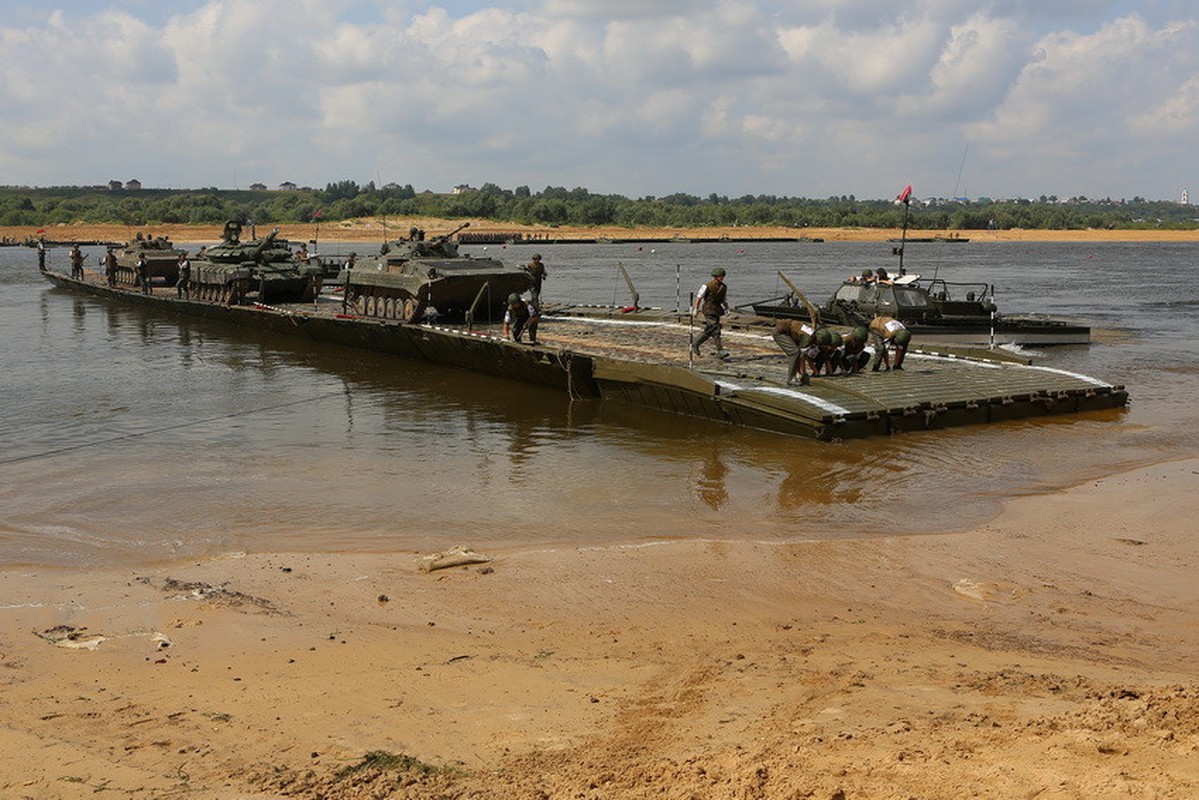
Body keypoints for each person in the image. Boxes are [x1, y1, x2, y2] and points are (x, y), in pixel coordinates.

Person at [692, 267, 729, 358]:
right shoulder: (707, 285)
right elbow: (699, 297)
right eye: (720, 276)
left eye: (723, 276)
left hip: (717, 310)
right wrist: (696, 309)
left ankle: (695, 343)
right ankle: (720, 351)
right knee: (716, 329)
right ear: (715, 277)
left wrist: (727, 308)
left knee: (709, 330)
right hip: (708, 309)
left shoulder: (724, 287)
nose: (722, 278)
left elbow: (723, 299)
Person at [772, 318, 816, 385]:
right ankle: (791, 379)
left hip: (787, 332)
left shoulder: (810, 333)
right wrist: (803, 373)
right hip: (780, 333)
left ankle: (795, 377)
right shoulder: (807, 338)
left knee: (796, 352)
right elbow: (801, 356)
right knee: (794, 352)